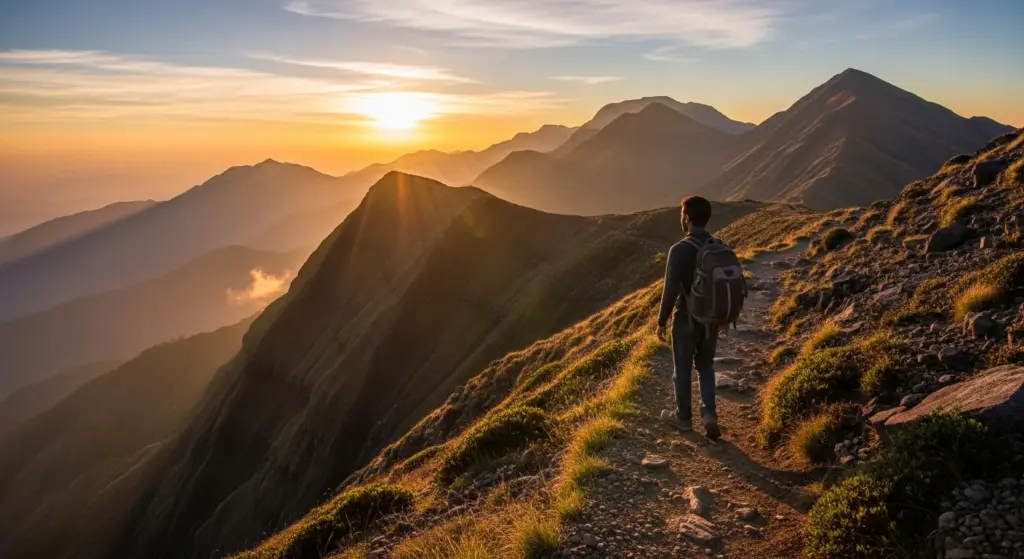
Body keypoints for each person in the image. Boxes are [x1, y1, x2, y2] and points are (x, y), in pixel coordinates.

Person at [656, 195, 721, 439]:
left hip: (686, 318)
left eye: (682, 214)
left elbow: (670, 289)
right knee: (705, 364)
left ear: (687, 218)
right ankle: (710, 413)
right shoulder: (718, 245)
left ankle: (683, 418)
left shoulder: (679, 249)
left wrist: (662, 321)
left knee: (682, 369)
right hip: (712, 318)